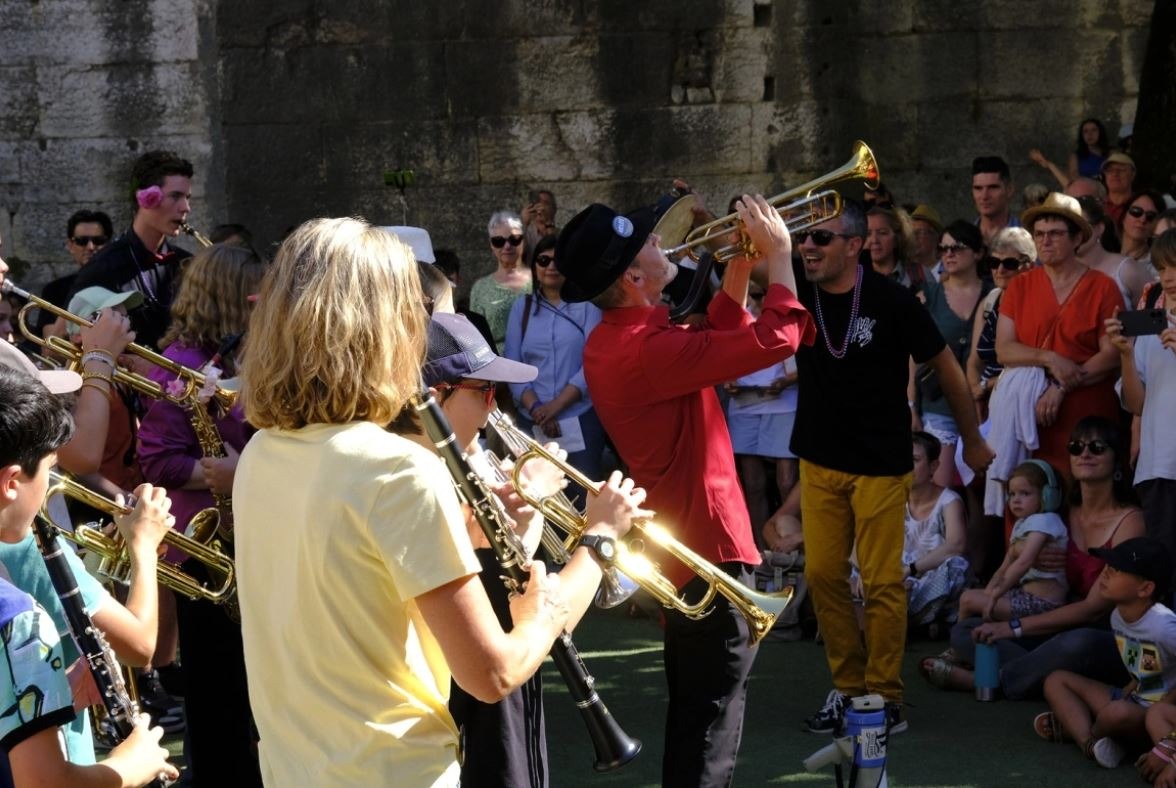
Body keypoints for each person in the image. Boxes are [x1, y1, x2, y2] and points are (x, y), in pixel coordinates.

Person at [232, 217, 577, 786]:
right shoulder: (398, 467)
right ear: (380, 329)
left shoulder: (263, 451)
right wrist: (543, 611)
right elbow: (490, 674)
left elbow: (350, 569)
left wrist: (472, 532)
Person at [555, 194, 813, 786]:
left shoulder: (627, 337)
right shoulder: (648, 346)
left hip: (691, 545)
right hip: (708, 548)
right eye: (649, 243)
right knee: (709, 729)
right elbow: (775, 341)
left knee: (702, 715)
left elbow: (721, 337)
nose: (663, 243)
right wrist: (780, 255)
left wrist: (741, 261)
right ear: (635, 277)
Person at [406, 311, 646, 788]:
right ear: (437, 399)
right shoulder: (420, 484)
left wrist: (522, 521)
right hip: (471, 721)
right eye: (486, 392)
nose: (497, 408)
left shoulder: (436, 475)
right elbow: (531, 621)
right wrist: (598, 539)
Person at [791, 198, 993, 736]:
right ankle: (848, 687)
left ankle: (883, 697)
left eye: (822, 239)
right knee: (823, 574)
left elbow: (946, 367)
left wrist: (972, 439)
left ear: (854, 246)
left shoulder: (891, 299)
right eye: (805, 238)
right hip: (818, 458)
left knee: (882, 581)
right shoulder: (798, 284)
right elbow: (745, 260)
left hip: (881, 462)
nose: (808, 246)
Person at [0, 364, 179, 786]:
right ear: (11, 482)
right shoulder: (20, 619)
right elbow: (45, 782)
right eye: (48, 469)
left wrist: (50, 687)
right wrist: (129, 766)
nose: (51, 484)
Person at [136, 243, 266, 785]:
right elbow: (155, 459)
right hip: (205, 550)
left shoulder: (249, 359)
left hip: (254, 536)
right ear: (234, 299)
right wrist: (220, 473)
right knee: (219, 691)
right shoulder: (185, 366)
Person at [928, 417, 1145, 699]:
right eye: (1076, 447)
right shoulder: (1059, 514)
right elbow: (1017, 556)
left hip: (1100, 632)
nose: (1085, 453)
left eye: (1097, 447)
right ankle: (1045, 675)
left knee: (1075, 643)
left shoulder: (1130, 521)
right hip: (1051, 624)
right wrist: (1033, 562)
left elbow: (1093, 609)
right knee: (970, 629)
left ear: (1117, 461)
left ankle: (990, 680)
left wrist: (1013, 628)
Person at [995, 192, 1122, 476]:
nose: (1045, 241)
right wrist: (1049, 358)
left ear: (1077, 239)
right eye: (1039, 234)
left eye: (1055, 233)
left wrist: (1062, 387)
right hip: (1029, 413)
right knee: (1031, 497)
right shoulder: (1020, 286)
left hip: (1087, 412)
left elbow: (1112, 355)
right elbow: (1004, 349)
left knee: (1084, 494)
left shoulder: (1103, 287)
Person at [1036, 537, 1175, 770]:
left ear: (1145, 588)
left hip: (1156, 716)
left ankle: (1081, 729)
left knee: (1116, 713)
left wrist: (1167, 701)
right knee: (1056, 680)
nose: (1105, 573)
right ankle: (1090, 744)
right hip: (1133, 699)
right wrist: (1134, 681)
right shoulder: (1116, 616)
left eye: (1117, 569)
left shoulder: (1163, 626)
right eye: (1108, 566)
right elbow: (1146, 662)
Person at [503, 235, 606, 481]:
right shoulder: (522, 307)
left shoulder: (589, 307)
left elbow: (593, 362)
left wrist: (555, 406)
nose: (551, 266)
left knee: (583, 491)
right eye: (543, 259)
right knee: (538, 494)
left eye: (559, 260)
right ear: (534, 266)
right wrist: (538, 408)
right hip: (532, 418)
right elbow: (513, 364)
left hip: (579, 415)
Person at [69, 150, 195, 349]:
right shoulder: (102, 267)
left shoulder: (189, 264)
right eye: (176, 196)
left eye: (187, 197)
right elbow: (78, 338)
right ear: (146, 198)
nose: (186, 207)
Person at [1108, 228, 1176, 588]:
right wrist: (1125, 355)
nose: (1168, 277)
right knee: (1163, 574)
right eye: (1162, 267)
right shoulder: (1151, 326)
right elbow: (1135, 403)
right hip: (1159, 468)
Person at [723, 280, 800, 544]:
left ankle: (787, 544)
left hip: (783, 402)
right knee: (753, 484)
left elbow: (806, 363)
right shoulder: (732, 316)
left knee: (787, 482)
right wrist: (727, 379)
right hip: (743, 403)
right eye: (752, 295)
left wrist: (787, 381)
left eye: (759, 294)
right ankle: (759, 551)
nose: (755, 301)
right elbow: (721, 357)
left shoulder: (784, 312)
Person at [915, 220, 991, 487]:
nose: (948, 254)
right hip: (939, 405)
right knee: (940, 486)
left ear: (979, 252)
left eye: (956, 247)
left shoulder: (993, 292)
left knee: (983, 495)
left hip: (987, 406)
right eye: (943, 249)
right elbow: (911, 357)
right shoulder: (929, 295)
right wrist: (911, 407)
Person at [958, 460, 1069, 622]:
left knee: (968, 600)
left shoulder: (1045, 521)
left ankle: (959, 646)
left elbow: (1024, 562)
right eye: (1012, 494)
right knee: (971, 597)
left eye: (1025, 493)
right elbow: (1003, 569)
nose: (1016, 500)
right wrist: (989, 593)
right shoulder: (1021, 524)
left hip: (1044, 603)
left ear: (1047, 495)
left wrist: (994, 596)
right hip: (1025, 595)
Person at [903, 431, 968, 631]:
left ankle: (907, 618)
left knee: (955, 567)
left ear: (933, 466)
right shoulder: (892, 498)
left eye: (914, 460)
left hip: (927, 578)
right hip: (895, 577)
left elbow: (955, 545)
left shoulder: (949, 501)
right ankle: (920, 620)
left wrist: (911, 569)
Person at [36, 209, 114, 338]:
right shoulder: (54, 290)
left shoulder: (125, 284)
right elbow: (51, 347)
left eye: (98, 240)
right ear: (71, 246)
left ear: (109, 245)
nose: (90, 247)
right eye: (82, 241)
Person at [470, 210, 532, 348]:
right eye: (499, 241)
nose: (507, 246)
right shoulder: (480, 288)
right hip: (499, 362)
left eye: (514, 239)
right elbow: (476, 338)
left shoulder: (540, 281)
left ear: (524, 239)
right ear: (491, 244)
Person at [1028, 118, 1112, 188]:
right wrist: (1049, 164)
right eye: (1085, 131)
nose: (1090, 134)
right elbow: (1071, 181)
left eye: (1094, 130)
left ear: (1100, 132)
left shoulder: (1111, 154)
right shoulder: (1076, 157)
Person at [865, 205, 924, 294]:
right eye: (868, 234)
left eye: (882, 233)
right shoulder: (852, 277)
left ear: (897, 238)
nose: (874, 240)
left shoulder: (919, 274)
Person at [972, 156, 1020, 245]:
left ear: (1009, 190)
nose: (984, 196)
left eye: (993, 187)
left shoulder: (1030, 237)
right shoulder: (962, 239)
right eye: (978, 188)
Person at [1101, 151, 1137, 227]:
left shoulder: (1139, 207)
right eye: (1110, 170)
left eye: (1121, 170)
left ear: (1132, 174)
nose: (1115, 174)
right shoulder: (1098, 206)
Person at [909, 204, 944, 281]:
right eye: (910, 233)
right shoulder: (904, 273)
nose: (913, 237)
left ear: (936, 237)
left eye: (920, 232)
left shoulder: (949, 271)